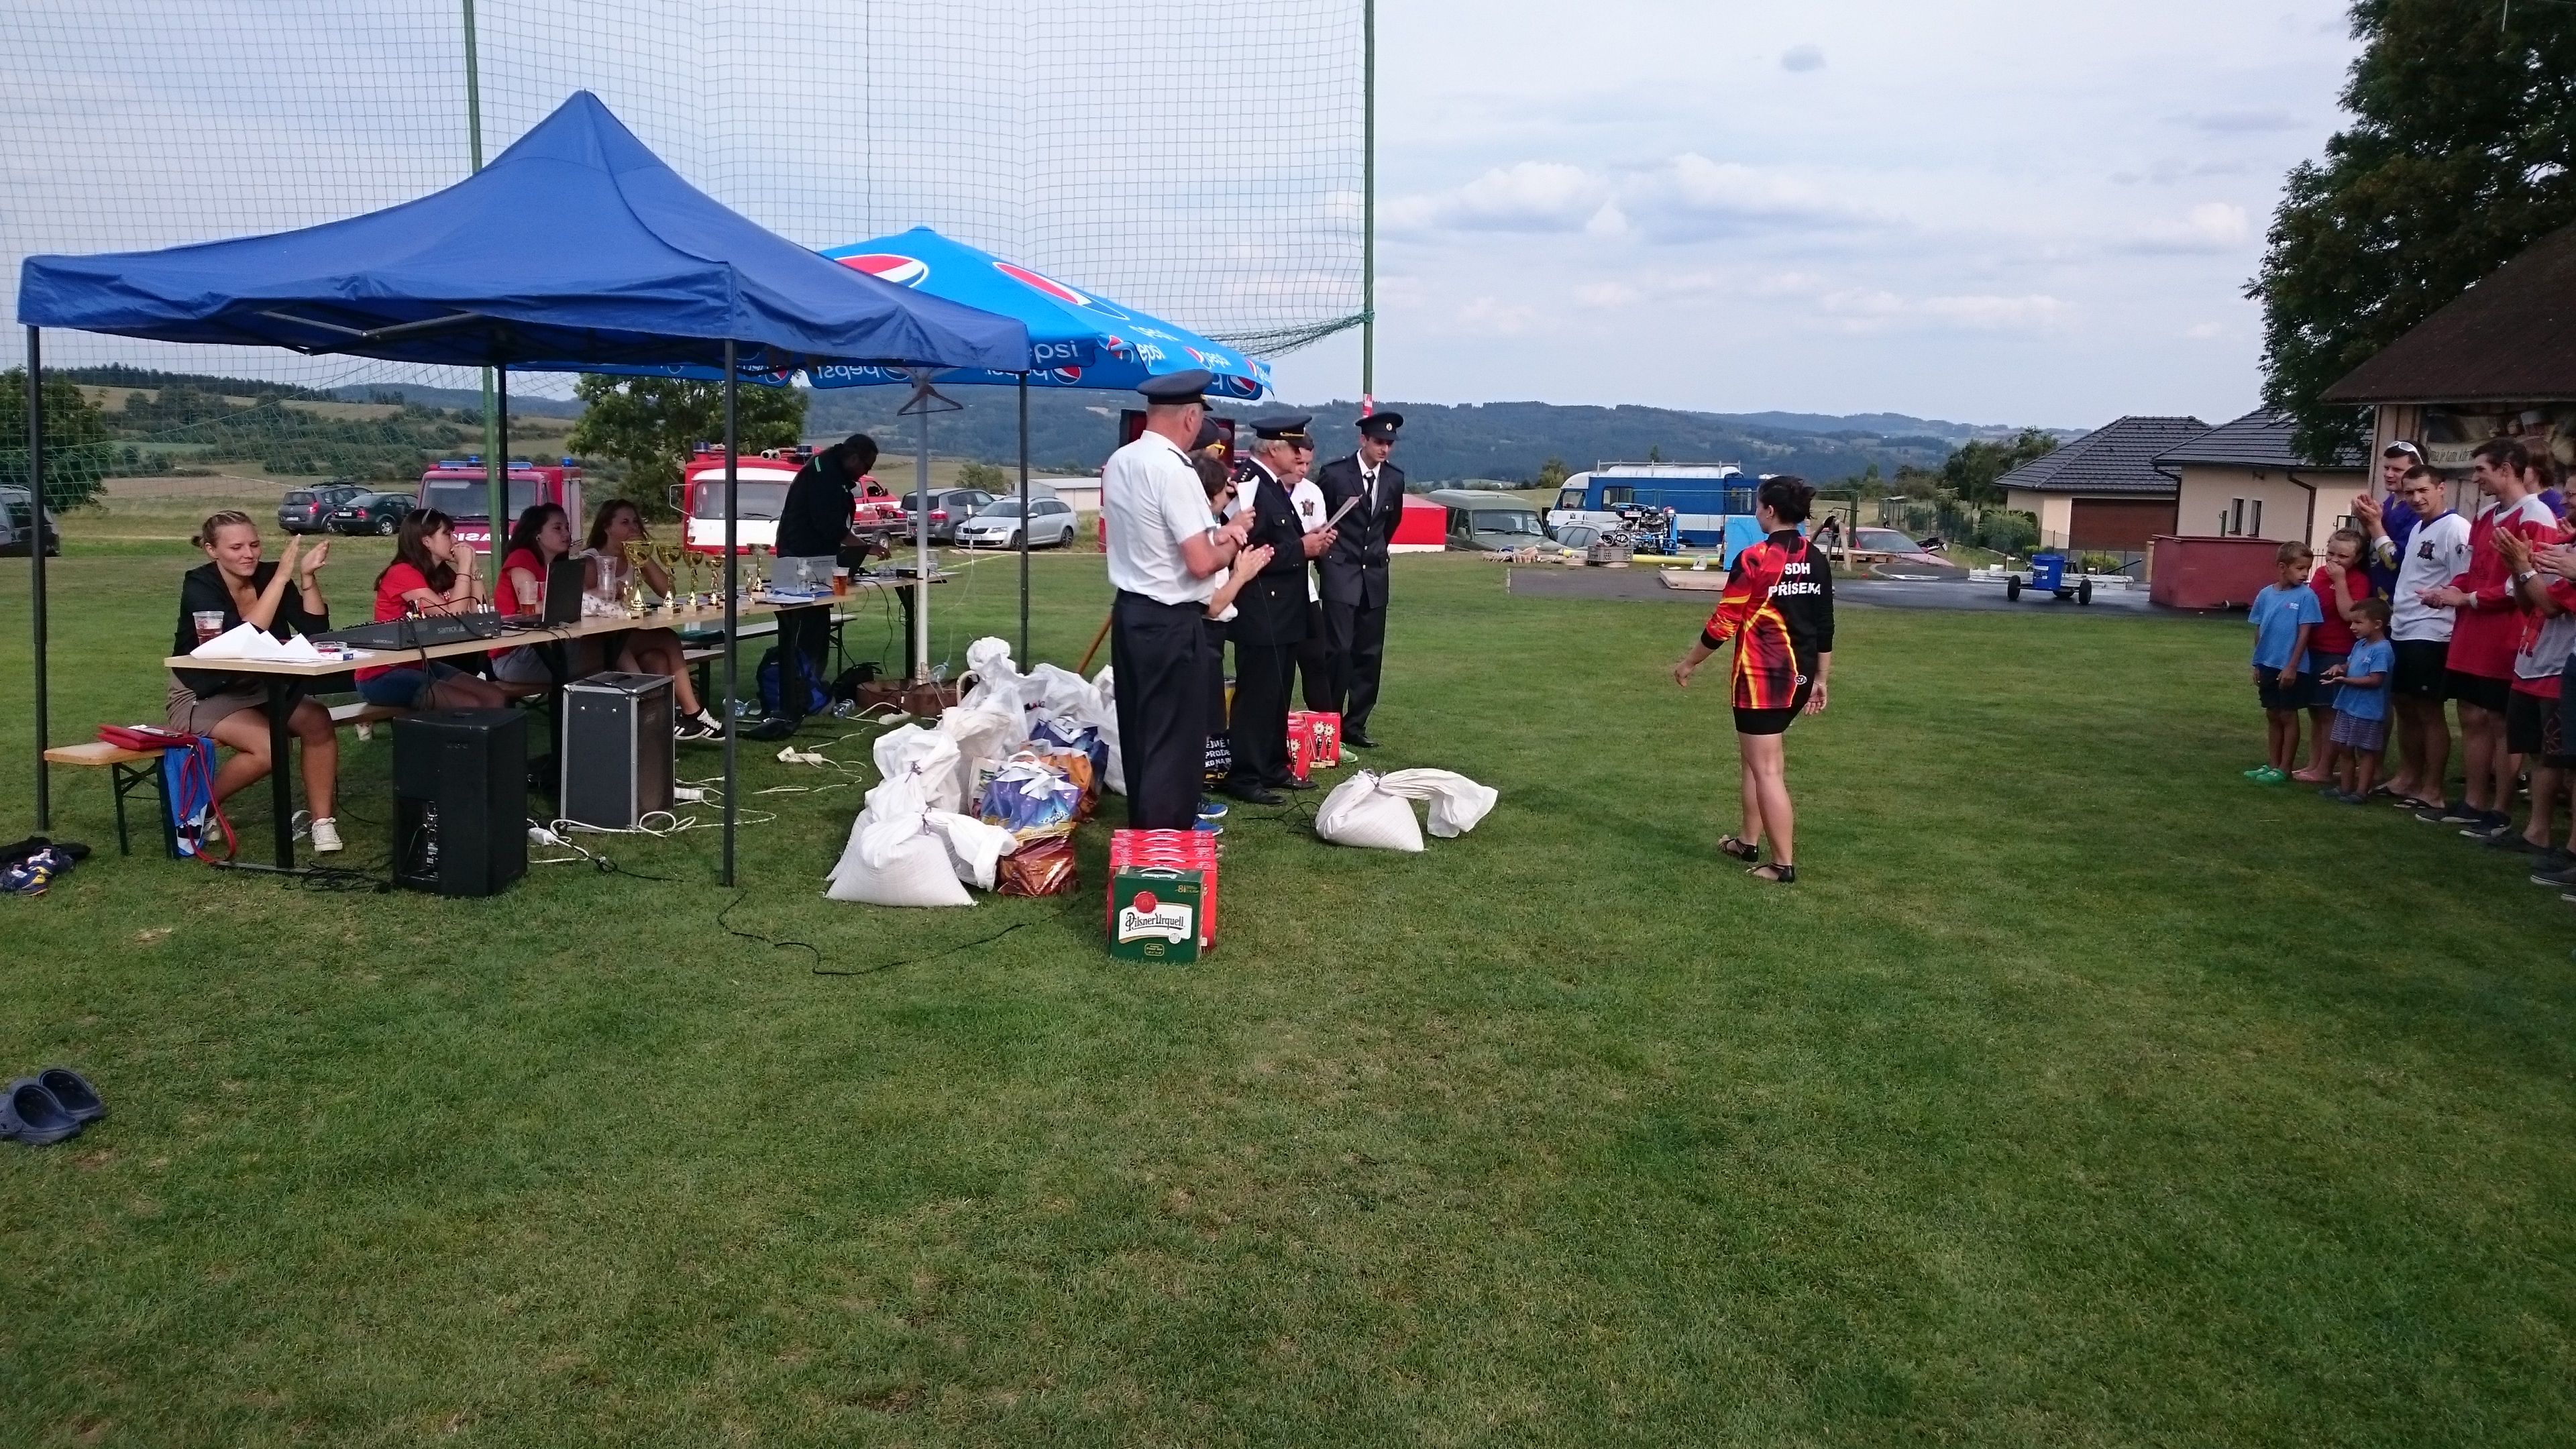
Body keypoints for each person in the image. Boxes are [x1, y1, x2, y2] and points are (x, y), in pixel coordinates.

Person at [1104, 370, 1250, 830]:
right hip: (1171, 620)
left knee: (1142, 735)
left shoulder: (1122, 460)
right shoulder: (1175, 469)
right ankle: (1165, 846)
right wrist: (1232, 541)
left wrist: (1213, 538)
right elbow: (1201, 562)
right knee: (1175, 743)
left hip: (1132, 610)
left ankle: (1146, 833)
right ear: (1190, 417)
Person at [1670, 475, 1833, 883]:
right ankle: (1747, 841)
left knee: (1767, 770)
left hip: (1761, 681)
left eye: (1758, 506)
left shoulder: (1755, 558)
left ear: (1770, 510)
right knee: (1754, 761)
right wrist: (1821, 678)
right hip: (1799, 677)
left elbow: (1724, 622)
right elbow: (1824, 624)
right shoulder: (1814, 557)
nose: (1756, 512)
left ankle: (1782, 865)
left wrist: (1689, 663)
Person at [168, 511, 343, 853]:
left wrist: (306, 577)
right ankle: (201, 807)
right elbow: (242, 639)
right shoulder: (199, 584)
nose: (249, 554)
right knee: (271, 748)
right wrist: (281, 578)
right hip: (204, 691)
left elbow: (316, 630)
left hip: (260, 685)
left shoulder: (271, 575)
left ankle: (323, 823)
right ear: (212, 550)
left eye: (254, 545)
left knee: (317, 720)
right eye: (236, 548)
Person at [2413, 438, 2552, 831]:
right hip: (2471, 633)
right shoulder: (2486, 515)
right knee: (2471, 715)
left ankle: (2501, 810)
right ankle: (2473, 802)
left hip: (2505, 635)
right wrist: (2447, 591)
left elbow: (2528, 582)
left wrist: (2469, 598)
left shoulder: (2536, 515)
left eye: (2481, 470)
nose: (2475, 478)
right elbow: (2472, 569)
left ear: (2506, 469)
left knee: (2501, 721)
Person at [1222, 413, 1336, 804]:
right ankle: (1245, 775)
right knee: (1257, 695)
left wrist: (1309, 542)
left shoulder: (1272, 484)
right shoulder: (1250, 485)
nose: (1300, 455)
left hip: (1284, 609)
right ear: (1274, 449)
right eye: (1294, 448)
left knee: (1277, 694)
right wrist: (1300, 549)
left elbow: (1278, 537)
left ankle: (1272, 764)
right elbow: (1249, 549)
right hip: (1261, 607)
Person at [2357, 464, 2469, 810]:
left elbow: (2464, 580)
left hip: (2432, 631)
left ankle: (2433, 790)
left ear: (2441, 488)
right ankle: (2408, 777)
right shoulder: (2420, 527)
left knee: (2428, 710)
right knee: (2404, 705)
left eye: (2423, 490)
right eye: (2410, 493)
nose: (2417, 498)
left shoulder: (2455, 528)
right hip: (2403, 627)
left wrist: (2446, 601)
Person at [582, 499, 729, 741]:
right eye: (625, 523)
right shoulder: (591, 560)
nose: (633, 528)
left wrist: (644, 557)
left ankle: (658, 733)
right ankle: (693, 713)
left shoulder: (634, 558)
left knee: (657, 659)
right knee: (667, 638)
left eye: (636, 522)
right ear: (607, 527)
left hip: (626, 632)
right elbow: (586, 607)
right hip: (598, 639)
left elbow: (667, 592)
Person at [354, 509, 515, 714]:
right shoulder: (401, 573)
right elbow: (453, 617)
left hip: (420, 664)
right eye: (447, 534)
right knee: (469, 703)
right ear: (427, 541)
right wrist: (464, 567)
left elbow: (479, 615)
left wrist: (473, 567)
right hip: (383, 673)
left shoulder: (441, 574)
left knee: (495, 696)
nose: (455, 540)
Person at [1314, 410, 1407, 747]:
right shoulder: (1336, 475)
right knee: (1338, 649)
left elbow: (1390, 524)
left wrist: (1375, 556)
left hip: (1374, 575)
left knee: (1369, 653)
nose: (1385, 449)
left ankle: (1356, 725)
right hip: (1340, 570)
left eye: (1390, 444)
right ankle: (1329, 721)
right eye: (1379, 442)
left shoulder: (1394, 479)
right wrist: (1327, 562)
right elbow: (1321, 520)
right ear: (1363, 440)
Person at [2492, 523, 2576, 862]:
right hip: (2531, 662)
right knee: (2538, 754)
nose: (2566, 500)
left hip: (2558, 667)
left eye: (2572, 496)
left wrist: (2524, 567)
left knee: (2558, 758)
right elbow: (2532, 607)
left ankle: (2552, 837)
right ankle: (2536, 831)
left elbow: (2554, 605)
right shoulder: (2562, 546)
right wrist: (2518, 568)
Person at [2292, 528, 2371, 784]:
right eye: (2331, 553)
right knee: (2315, 711)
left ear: (2357, 559)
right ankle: (2314, 764)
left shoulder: (2358, 580)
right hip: (2313, 649)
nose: (2334, 560)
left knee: (2329, 713)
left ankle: (2325, 769)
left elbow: (2349, 614)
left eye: (2343, 556)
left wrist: (2340, 581)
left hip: (2336, 652)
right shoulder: (2318, 574)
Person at [2244, 542, 2322, 784]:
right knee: (2272, 713)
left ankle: (2285, 768)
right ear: (2282, 567)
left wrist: (2292, 666)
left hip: (2292, 667)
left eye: (2307, 568)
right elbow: (2260, 630)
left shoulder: (2307, 597)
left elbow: (2305, 633)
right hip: (2267, 665)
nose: (2305, 574)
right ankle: (2273, 764)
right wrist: (2257, 663)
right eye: (2300, 568)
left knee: (2288, 714)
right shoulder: (2265, 595)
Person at [490, 502, 580, 690]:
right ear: (537, 534)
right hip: (514, 655)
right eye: (557, 528)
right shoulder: (521, 558)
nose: (566, 534)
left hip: (545, 645)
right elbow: (529, 609)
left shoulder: (556, 566)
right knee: (606, 652)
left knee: (611, 648)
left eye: (567, 527)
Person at [2318, 598, 2394, 803]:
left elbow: (2376, 680)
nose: (2352, 627)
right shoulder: (2360, 644)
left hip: (2368, 711)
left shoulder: (2382, 650)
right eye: (2352, 622)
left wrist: (2346, 681)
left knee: (2366, 752)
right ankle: (2345, 789)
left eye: (2358, 622)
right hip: (2348, 706)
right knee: (2343, 747)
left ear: (2377, 624)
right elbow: (2349, 665)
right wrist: (2340, 668)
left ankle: (2361, 793)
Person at [1285, 440, 1336, 712]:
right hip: (1273, 595)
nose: (1303, 469)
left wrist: (1323, 543)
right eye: (1298, 463)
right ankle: (1275, 731)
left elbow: (1319, 546)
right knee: (1278, 671)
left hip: (1306, 592)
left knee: (1316, 661)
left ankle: (1326, 728)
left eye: (1308, 463)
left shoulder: (1313, 492)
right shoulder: (1264, 489)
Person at [2359, 440, 2424, 598]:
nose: (2389, 474)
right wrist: (2365, 520)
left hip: (2400, 601)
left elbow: (2394, 561)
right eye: (2386, 468)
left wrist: (2374, 524)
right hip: (2374, 597)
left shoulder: (2418, 512)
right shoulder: (2389, 503)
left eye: (2397, 470)